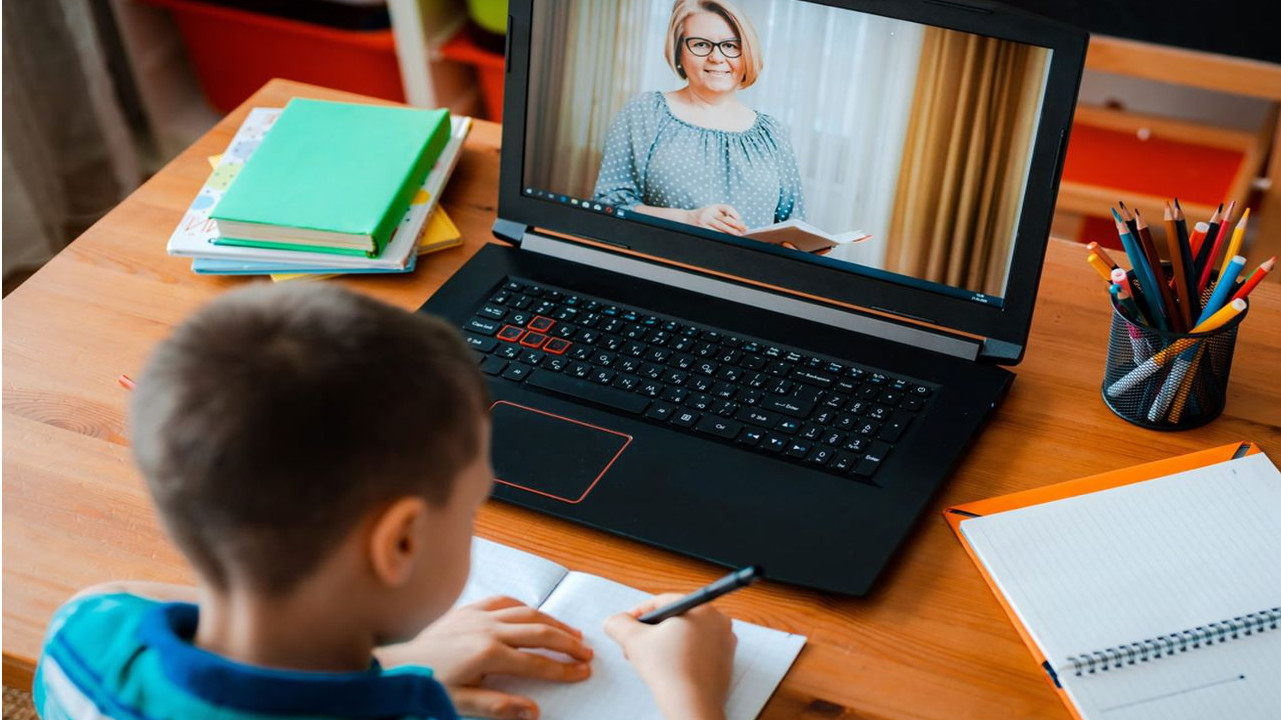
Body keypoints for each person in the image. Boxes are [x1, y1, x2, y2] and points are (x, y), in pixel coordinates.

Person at [33, 284, 737, 720]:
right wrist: (691, 696)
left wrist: (402, 659)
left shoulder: (84, 638)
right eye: (472, 508)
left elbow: (120, 590)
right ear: (398, 543)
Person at [593, 0, 805, 236]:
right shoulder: (645, 112)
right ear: (679, 52)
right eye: (701, 44)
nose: (716, 57)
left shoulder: (772, 132)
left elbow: (792, 223)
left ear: (747, 53)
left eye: (731, 46)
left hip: (747, 272)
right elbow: (608, 206)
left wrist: (802, 245)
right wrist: (687, 218)